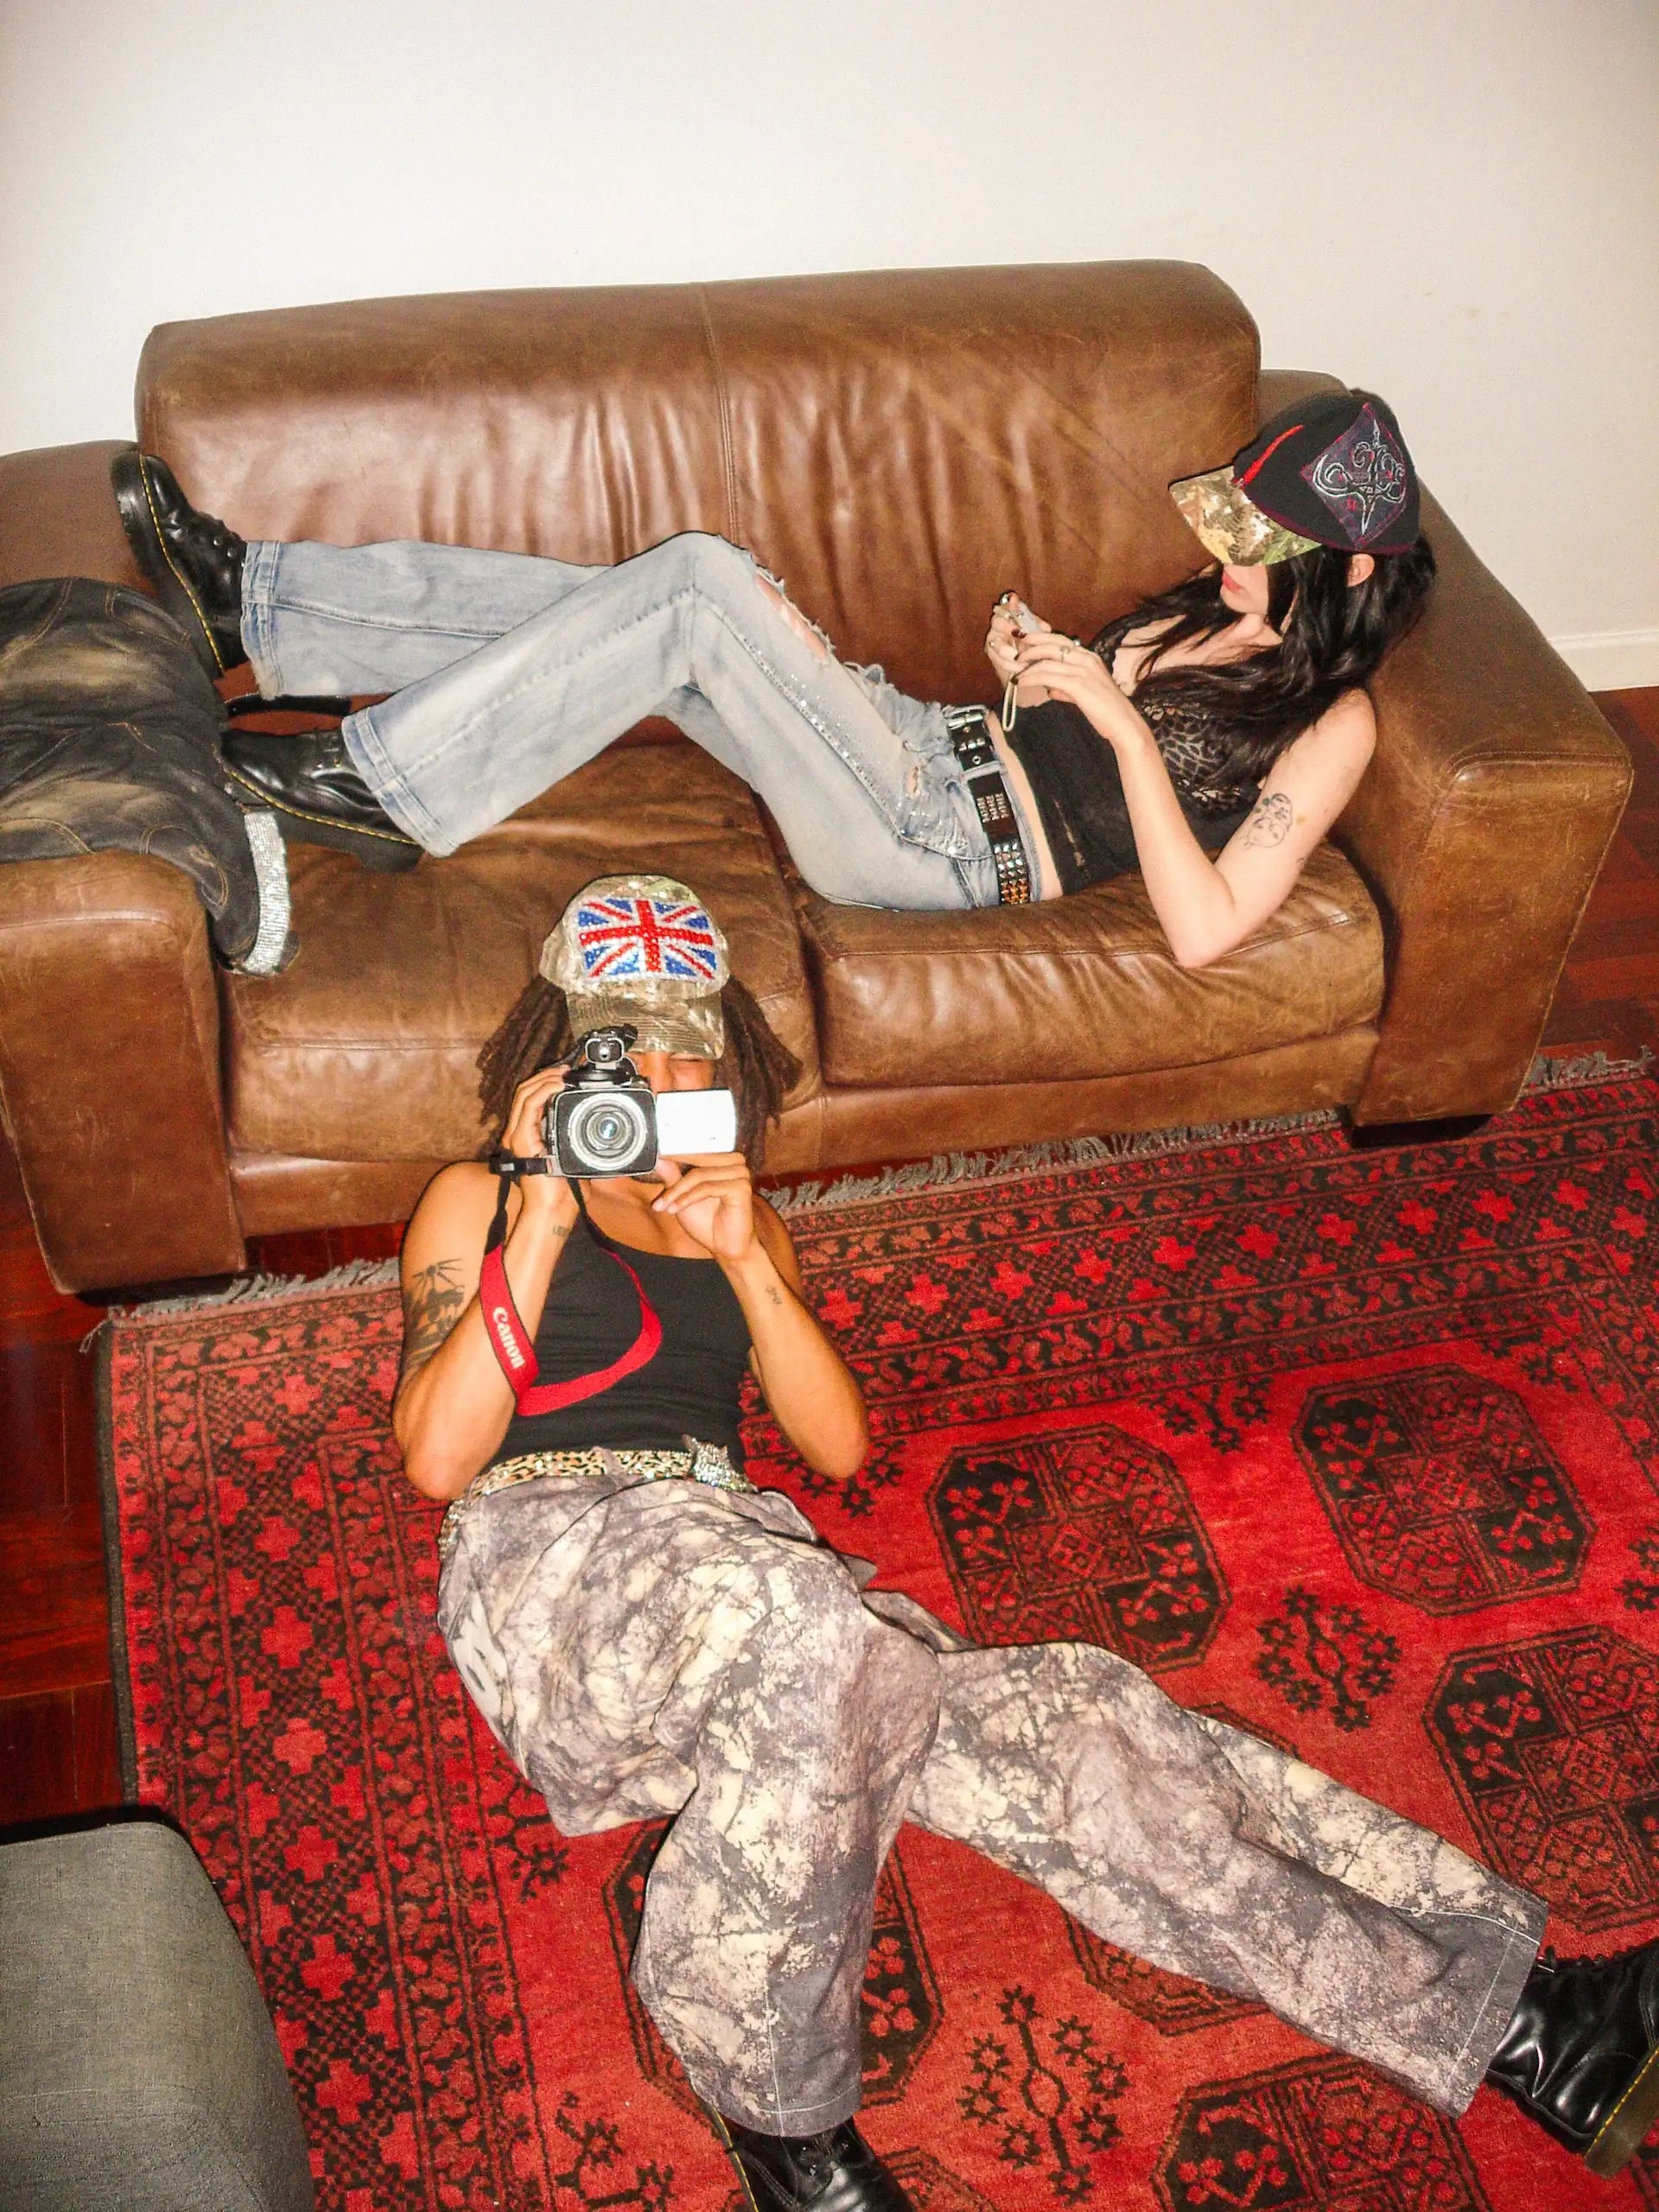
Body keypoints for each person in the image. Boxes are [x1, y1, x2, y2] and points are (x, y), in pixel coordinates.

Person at [387, 871, 1658, 2212]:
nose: (653, 1075)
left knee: (1085, 1729)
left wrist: (748, 1258)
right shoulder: (477, 1197)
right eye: (619, 1046)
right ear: (558, 1051)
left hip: (752, 1587)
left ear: (725, 1060)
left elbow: (836, 1449)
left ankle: (1532, 2028)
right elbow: (438, 1458)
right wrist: (539, 1214)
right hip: (560, 1574)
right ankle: (777, 2114)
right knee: (805, 1619)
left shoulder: (738, 1214)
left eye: (683, 1046)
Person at [112, 390, 1433, 966]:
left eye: (1265, 547)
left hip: (938, 842)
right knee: (645, 608)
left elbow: (1205, 930)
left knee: (699, 581)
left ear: (1353, 570)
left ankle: (382, 787)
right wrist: (1030, 679)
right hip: (923, 744)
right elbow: (1052, 748)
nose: (1229, 558)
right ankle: (256, 608)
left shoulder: (1336, 724)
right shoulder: (1215, 606)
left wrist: (1120, 723)